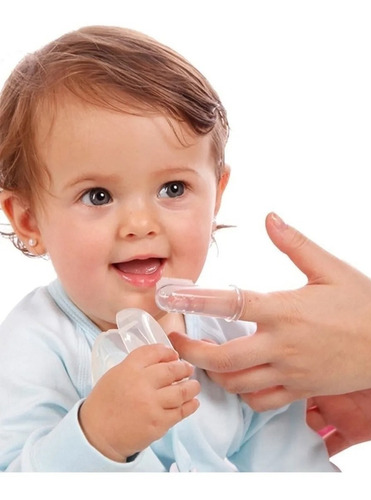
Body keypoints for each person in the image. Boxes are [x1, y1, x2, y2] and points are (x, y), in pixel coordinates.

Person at [0, 26, 336, 472]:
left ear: (215, 196)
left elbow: (293, 469)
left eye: (173, 188)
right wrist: (98, 437)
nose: (141, 225)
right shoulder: (32, 346)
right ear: (28, 220)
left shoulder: (233, 345)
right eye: (98, 195)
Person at [164, 213, 371, 453]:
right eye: (114, 196)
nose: (139, 225)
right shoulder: (267, 357)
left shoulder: (238, 343)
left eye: (173, 189)